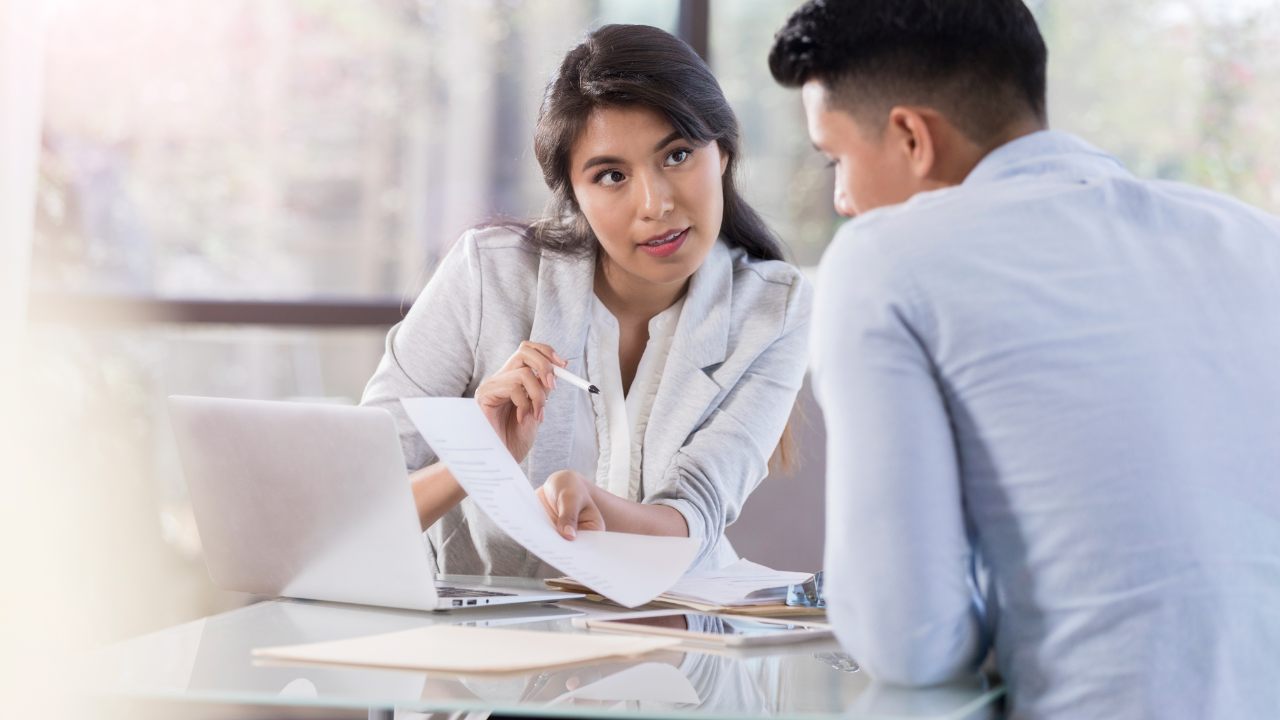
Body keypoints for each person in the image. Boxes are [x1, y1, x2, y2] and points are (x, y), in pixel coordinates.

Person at [769, 1, 1280, 718]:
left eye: (835, 158)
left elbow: (910, 642)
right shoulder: (1254, 239)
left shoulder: (884, 261)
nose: (843, 197)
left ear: (913, 135)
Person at [361, 24, 812, 577]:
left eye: (676, 156)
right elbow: (357, 508)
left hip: (675, 642)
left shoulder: (775, 309)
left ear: (721, 151)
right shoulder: (487, 275)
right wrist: (477, 459)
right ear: (574, 194)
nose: (654, 204)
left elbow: (699, 513)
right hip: (486, 649)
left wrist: (597, 505)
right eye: (611, 175)